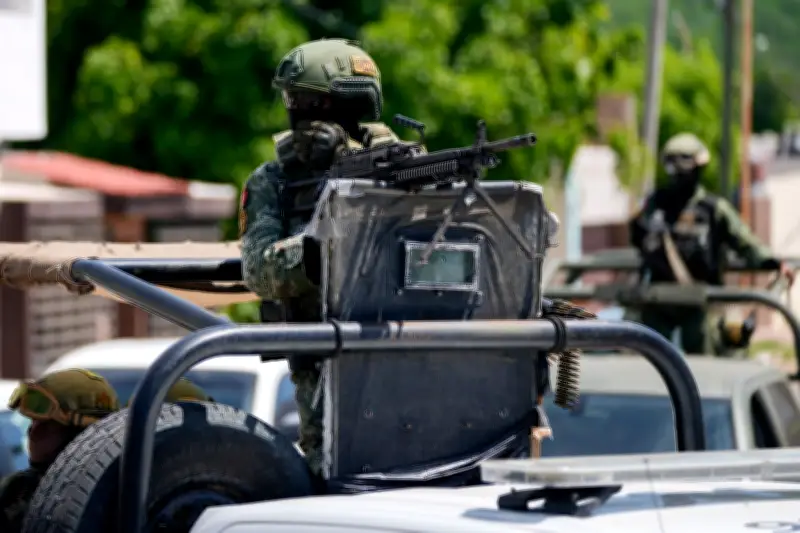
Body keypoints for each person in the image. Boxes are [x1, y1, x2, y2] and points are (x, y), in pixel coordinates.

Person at [239, 38, 407, 476]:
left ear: (336, 105)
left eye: (301, 99)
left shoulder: (403, 166)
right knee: (331, 480)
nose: (292, 109)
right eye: (290, 99)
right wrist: (319, 249)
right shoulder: (274, 180)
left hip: (406, 352)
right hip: (323, 369)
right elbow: (258, 271)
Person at [629, 132, 794, 354]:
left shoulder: (713, 209)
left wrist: (773, 262)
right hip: (659, 304)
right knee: (645, 361)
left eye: (683, 164)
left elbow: (745, 243)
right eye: (672, 164)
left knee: (706, 366)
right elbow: (637, 237)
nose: (678, 172)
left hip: (700, 304)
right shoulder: (655, 204)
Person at [0, 369, 120, 531]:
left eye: (47, 425)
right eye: (33, 421)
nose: (32, 432)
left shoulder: (119, 497)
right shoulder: (17, 490)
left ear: (80, 434)